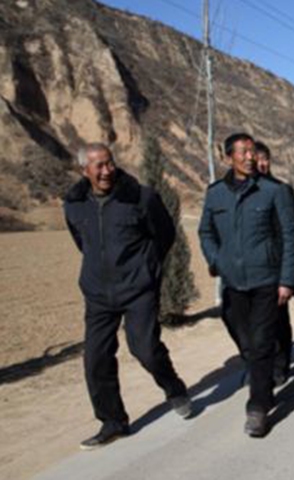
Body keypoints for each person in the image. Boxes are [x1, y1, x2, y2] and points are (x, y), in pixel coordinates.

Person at [63, 143, 192, 450]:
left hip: (138, 289)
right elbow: (83, 241)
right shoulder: (74, 202)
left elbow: (165, 234)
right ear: (85, 170)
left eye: (110, 163)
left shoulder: (141, 197)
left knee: (144, 348)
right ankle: (113, 421)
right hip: (97, 292)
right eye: (99, 166)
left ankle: (173, 387)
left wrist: (147, 269)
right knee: (95, 359)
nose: (107, 170)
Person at [198, 133, 294, 437]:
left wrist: (287, 279)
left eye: (253, 151)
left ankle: (257, 407)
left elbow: (289, 238)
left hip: (266, 280)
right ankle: (261, 375)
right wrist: (217, 260)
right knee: (245, 338)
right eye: (243, 152)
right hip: (233, 283)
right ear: (229, 157)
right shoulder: (215, 194)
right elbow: (205, 232)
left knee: (261, 341)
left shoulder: (273, 191)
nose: (250, 157)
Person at [255, 141, 294, 387]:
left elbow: (290, 233)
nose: (261, 163)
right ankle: (260, 365)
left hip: (277, 266)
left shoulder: (281, 190)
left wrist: (289, 275)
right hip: (253, 269)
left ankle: (280, 365)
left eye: (265, 158)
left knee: (279, 322)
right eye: (257, 158)